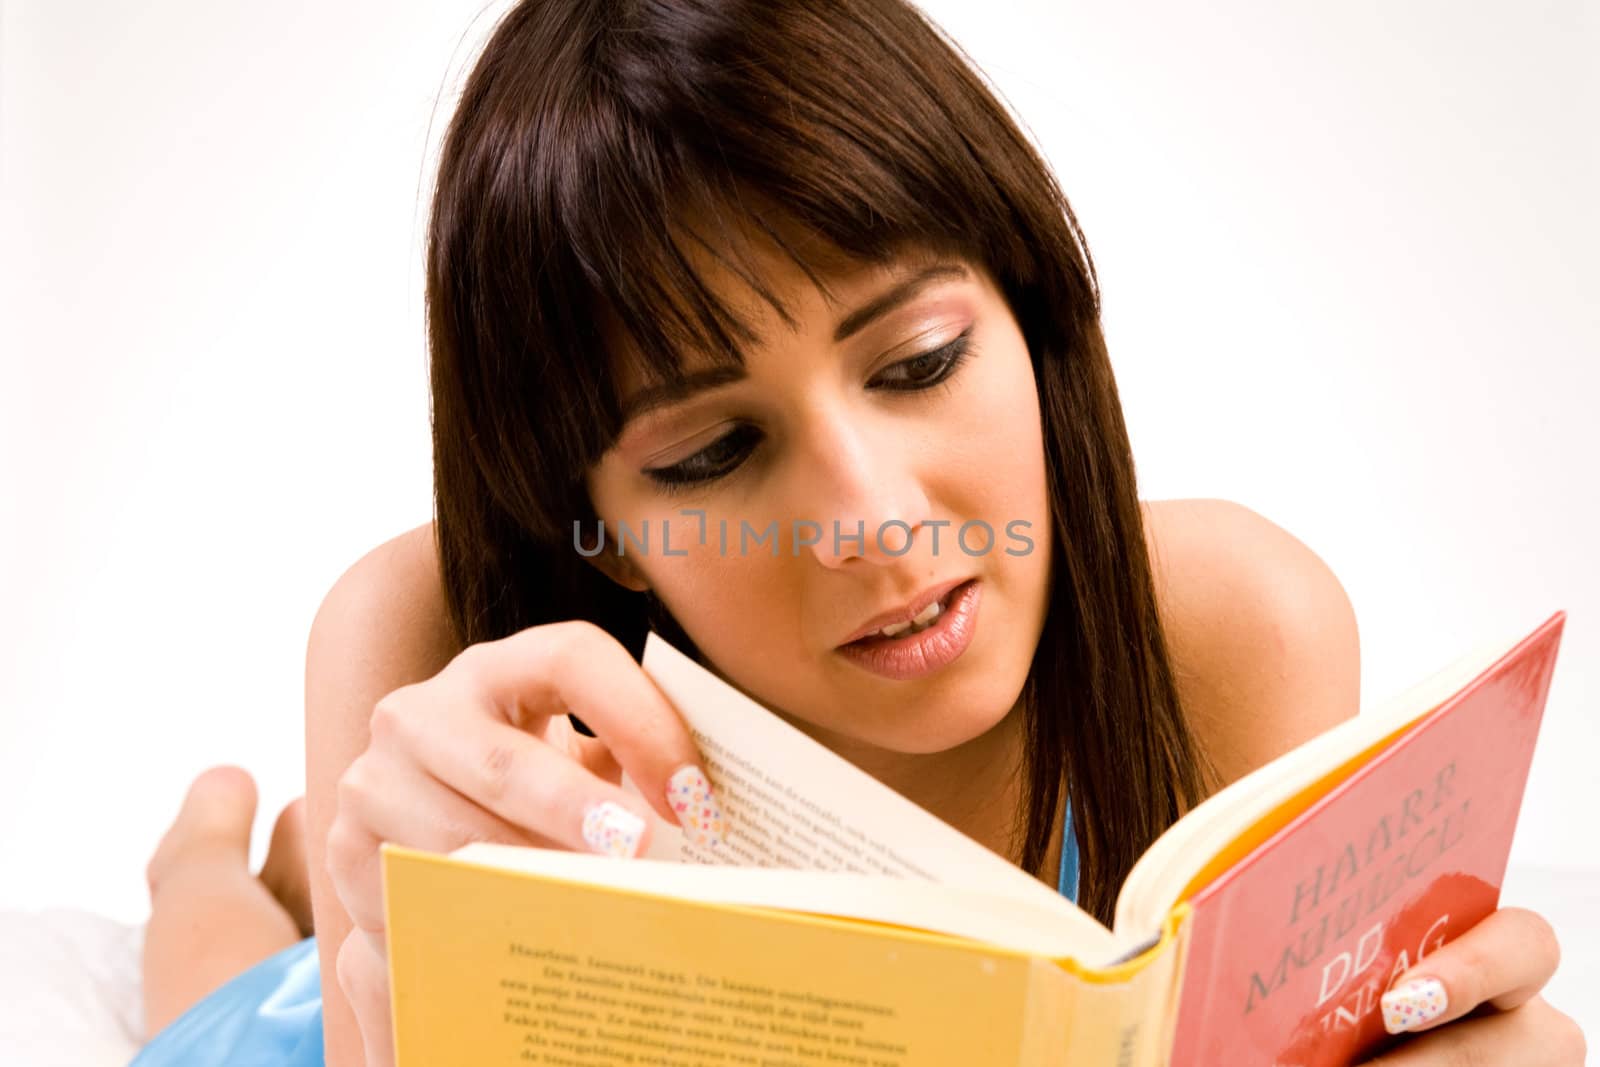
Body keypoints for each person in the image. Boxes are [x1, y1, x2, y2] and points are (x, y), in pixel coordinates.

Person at [131, 0, 1585, 1064]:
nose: (875, 524)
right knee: (235, 978)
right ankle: (209, 853)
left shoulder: (1230, 624)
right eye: (712, 450)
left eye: (920, 362)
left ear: (1032, 313)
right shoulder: (429, 638)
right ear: (605, 533)